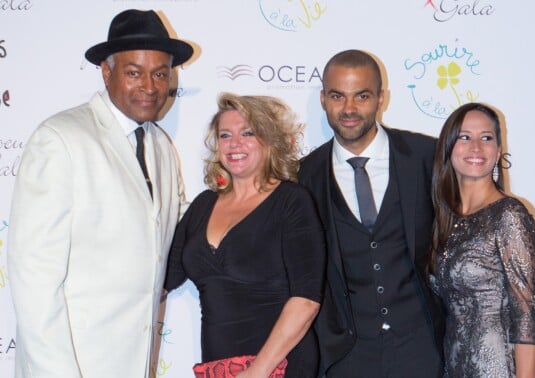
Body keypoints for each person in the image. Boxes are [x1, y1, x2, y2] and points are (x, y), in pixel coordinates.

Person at [7, 9, 193, 378]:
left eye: (160, 73)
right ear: (106, 72)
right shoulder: (61, 139)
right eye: (134, 72)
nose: (151, 86)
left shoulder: (160, 146)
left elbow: (179, 227)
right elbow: (35, 280)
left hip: (135, 364)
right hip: (72, 365)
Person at [299, 49, 444, 377]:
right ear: (323, 99)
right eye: (337, 96)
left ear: (381, 98)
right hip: (346, 357)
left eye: (361, 96)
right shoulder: (303, 177)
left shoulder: (426, 157)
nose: (348, 109)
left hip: (422, 349)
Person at [164, 92, 326, 377]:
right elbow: (164, 277)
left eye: (248, 133)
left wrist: (258, 371)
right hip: (217, 368)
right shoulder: (203, 205)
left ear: (270, 140)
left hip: (279, 366)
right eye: (225, 135)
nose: (234, 143)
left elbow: (306, 300)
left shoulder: (292, 201)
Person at [430, 102, 535, 377]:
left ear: (498, 151)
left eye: (486, 138)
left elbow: (525, 313)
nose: (476, 147)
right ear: (448, 147)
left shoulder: (509, 215)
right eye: (465, 137)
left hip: (498, 369)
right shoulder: (444, 218)